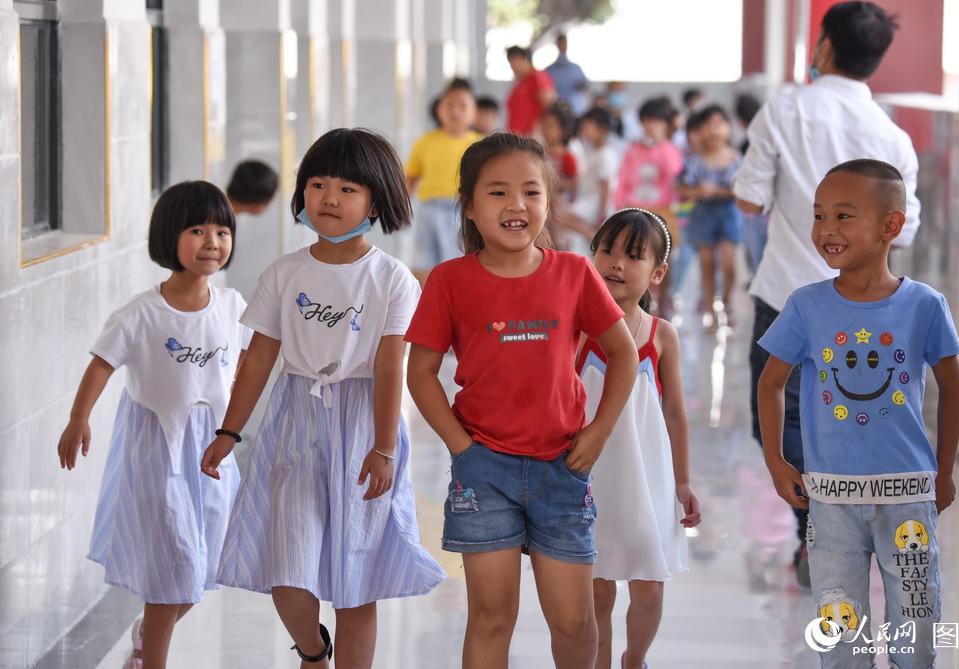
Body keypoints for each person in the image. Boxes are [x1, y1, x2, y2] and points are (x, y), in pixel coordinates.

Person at [200, 129, 446, 669]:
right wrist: (228, 431)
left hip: (364, 423)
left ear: (376, 200)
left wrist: (384, 448)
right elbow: (259, 358)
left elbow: (390, 364)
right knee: (289, 565)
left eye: (347, 188)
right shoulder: (285, 273)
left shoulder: (392, 279)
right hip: (296, 419)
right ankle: (314, 650)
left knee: (357, 577)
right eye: (317, 184)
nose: (329, 198)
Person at [405, 132, 639, 668]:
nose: (516, 206)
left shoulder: (574, 272)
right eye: (497, 193)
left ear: (548, 201)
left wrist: (598, 431)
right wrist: (462, 445)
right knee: (490, 618)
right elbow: (420, 372)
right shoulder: (449, 280)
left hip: (563, 465)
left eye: (531, 192)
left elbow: (623, 355)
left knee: (574, 622)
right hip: (483, 470)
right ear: (467, 204)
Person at [733, 0, 921, 587]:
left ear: (823, 47)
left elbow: (748, 200)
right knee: (855, 413)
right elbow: (907, 228)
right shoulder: (893, 137)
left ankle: (813, 528)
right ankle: (839, 531)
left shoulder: (783, 111)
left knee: (782, 415)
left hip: (787, 292)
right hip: (865, 304)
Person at [757, 160, 959, 667]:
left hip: (908, 497)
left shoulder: (925, 304)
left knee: (914, 633)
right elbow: (771, 382)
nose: (826, 229)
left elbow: (953, 385)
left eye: (843, 216)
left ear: (890, 226)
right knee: (841, 634)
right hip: (831, 501)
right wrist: (777, 462)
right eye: (819, 215)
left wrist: (944, 469)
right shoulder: (806, 305)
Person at [57, 181, 248, 669]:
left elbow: (252, 362)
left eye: (222, 231)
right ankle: (152, 660)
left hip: (213, 453)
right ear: (169, 236)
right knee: (172, 569)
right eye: (198, 230)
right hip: (158, 452)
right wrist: (79, 419)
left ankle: (146, 634)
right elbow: (101, 364)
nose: (212, 241)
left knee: (206, 561)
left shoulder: (231, 306)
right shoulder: (142, 312)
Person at [578, 209, 701, 669]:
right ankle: (601, 661)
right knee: (597, 585)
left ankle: (636, 657)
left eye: (633, 256)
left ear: (658, 273)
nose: (616, 264)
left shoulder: (660, 336)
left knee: (649, 584)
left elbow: (675, 412)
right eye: (606, 250)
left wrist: (684, 482)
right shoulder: (578, 331)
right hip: (590, 479)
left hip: (649, 477)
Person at [405, 78, 482, 282]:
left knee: (458, 261)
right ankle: (424, 303)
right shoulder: (425, 142)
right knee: (423, 261)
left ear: (474, 113)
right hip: (429, 208)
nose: (455, 111)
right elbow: (410, 179)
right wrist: (397, 208)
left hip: (463, 210)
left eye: (462, 106)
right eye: (449, 105)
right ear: (439, 110)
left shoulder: (480, 144)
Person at [614, 96, 685, 316]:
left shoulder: (671, 150)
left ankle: (663, 301)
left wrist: (662, 143)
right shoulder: (632, 150)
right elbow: (623, 180)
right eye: (647, 120)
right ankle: (639, 304)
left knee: (663, 260)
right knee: (636, 259)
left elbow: (673, 176)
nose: (651, 126)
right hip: (636, 210)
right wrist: (620, 208)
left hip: (663, 213)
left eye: (657, 121)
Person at [678, 104, 743, 328]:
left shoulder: (736, 158)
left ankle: (726, 302)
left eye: (718, 124)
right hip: (702, 215)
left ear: (727, 127)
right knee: (706, 265)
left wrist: (715, 191)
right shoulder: (695, 159)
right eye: (708, 125)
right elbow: (682, 187)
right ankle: (710, 311)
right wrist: (697, 192)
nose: (713, 130)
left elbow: (742, 190)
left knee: (727, 263)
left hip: (728, 214)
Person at [565, 107, 618, 255]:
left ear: (602, 129)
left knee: (561, 217)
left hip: (596, 202)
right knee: (569, 228)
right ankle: (590, 236)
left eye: (588, 127)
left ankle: (594, 236)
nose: (584, 131)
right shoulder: (592, 150)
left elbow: (606, 185)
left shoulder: (606, 154)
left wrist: (602, 214)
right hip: (587, 199)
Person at [539, 101, 579, 249]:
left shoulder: (567, 156)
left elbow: (575, 182)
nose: (545, 130)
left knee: (560, 237)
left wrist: (559, 184)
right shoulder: (539, 153)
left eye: (551, 126)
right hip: (544, 201)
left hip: (561, 203)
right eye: (544, 125)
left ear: (563, 130)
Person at [734, 93, 767, 274]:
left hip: (752, 204)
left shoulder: (747, 143)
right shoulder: (768, 138)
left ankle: (756, 275)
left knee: (755, 244)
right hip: (766, 204)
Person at [506, 46, 557, 136]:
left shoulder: (537, 77)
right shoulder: (520, 83)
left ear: (524, 59)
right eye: (510, 62)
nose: (512, 66)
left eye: (514, 61)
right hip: (517, 138)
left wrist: (539, 133)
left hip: (531, 139)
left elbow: (550, 105)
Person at [545, 33, 589, 115]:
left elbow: (586, 87)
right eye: (560, 43)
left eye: (564, 43)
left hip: (576, 110)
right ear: (556, 45)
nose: (562, 46)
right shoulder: (549, 70)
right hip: (557, 113)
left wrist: (581, 86)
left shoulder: (576, 69)